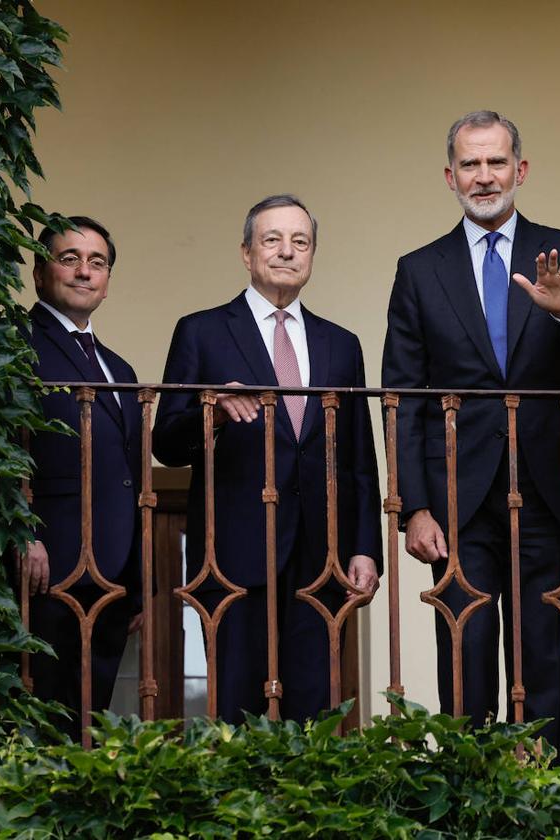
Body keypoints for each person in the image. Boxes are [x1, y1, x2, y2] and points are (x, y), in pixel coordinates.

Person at [381, 110, 560, 762]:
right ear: (449, 175)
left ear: (520, 169)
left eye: (495, 163)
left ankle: (543, 799)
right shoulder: (418, 269)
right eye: (470, 164)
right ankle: (468, 796)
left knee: (543, 650)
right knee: (464, 653)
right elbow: (401, 395)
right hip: (454, 496)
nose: (483, 177)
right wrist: (413, 507)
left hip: (545, 484)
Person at [153, 194, 382, 724]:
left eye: (299, 242)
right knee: (235, 709)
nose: (286, 252)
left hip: (320, 554)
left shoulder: (340, 344)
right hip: (232, 551)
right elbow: (165, 441)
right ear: (246, 252)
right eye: (272, 240)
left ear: (312, 255)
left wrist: (365, 548)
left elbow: (359, 459)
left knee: (316, 711)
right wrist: (210, 411)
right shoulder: (202, 331)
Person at [24, 216, 143, 736]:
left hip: (111, 571)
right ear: (39, 273)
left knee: (86, 720)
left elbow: (131, 480)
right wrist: (22, 532)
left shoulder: (120, 368)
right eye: (69, 258)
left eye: (97, 263)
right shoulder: (16, 348)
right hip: (47, 562)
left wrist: (136, 582)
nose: (84, 272)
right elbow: (0, 451)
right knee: (40, 710)